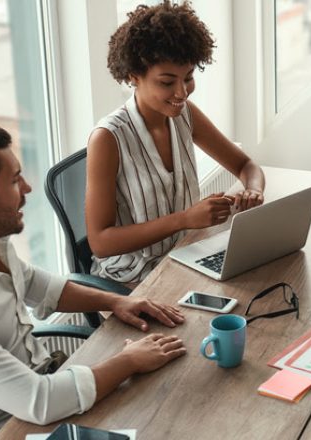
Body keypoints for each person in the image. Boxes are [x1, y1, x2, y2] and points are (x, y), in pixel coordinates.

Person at [0, 121, 187, 440]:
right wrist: (129, 361)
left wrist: (117, 301)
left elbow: (42, 286)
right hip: (7, 428)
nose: (26, 188)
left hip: (46, 386)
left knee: (176, 405)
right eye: (14, 181)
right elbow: (40, 401)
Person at [87, 1, 265, 283]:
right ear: (134, 76)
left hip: (185, 255)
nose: (182, 93)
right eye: (167, 82)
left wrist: (253, 190)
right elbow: (100, 242)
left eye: (189, 78)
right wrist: (184, 219)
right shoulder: (108, 138)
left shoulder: (185, 115)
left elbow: (245, 165)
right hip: (133, 278)